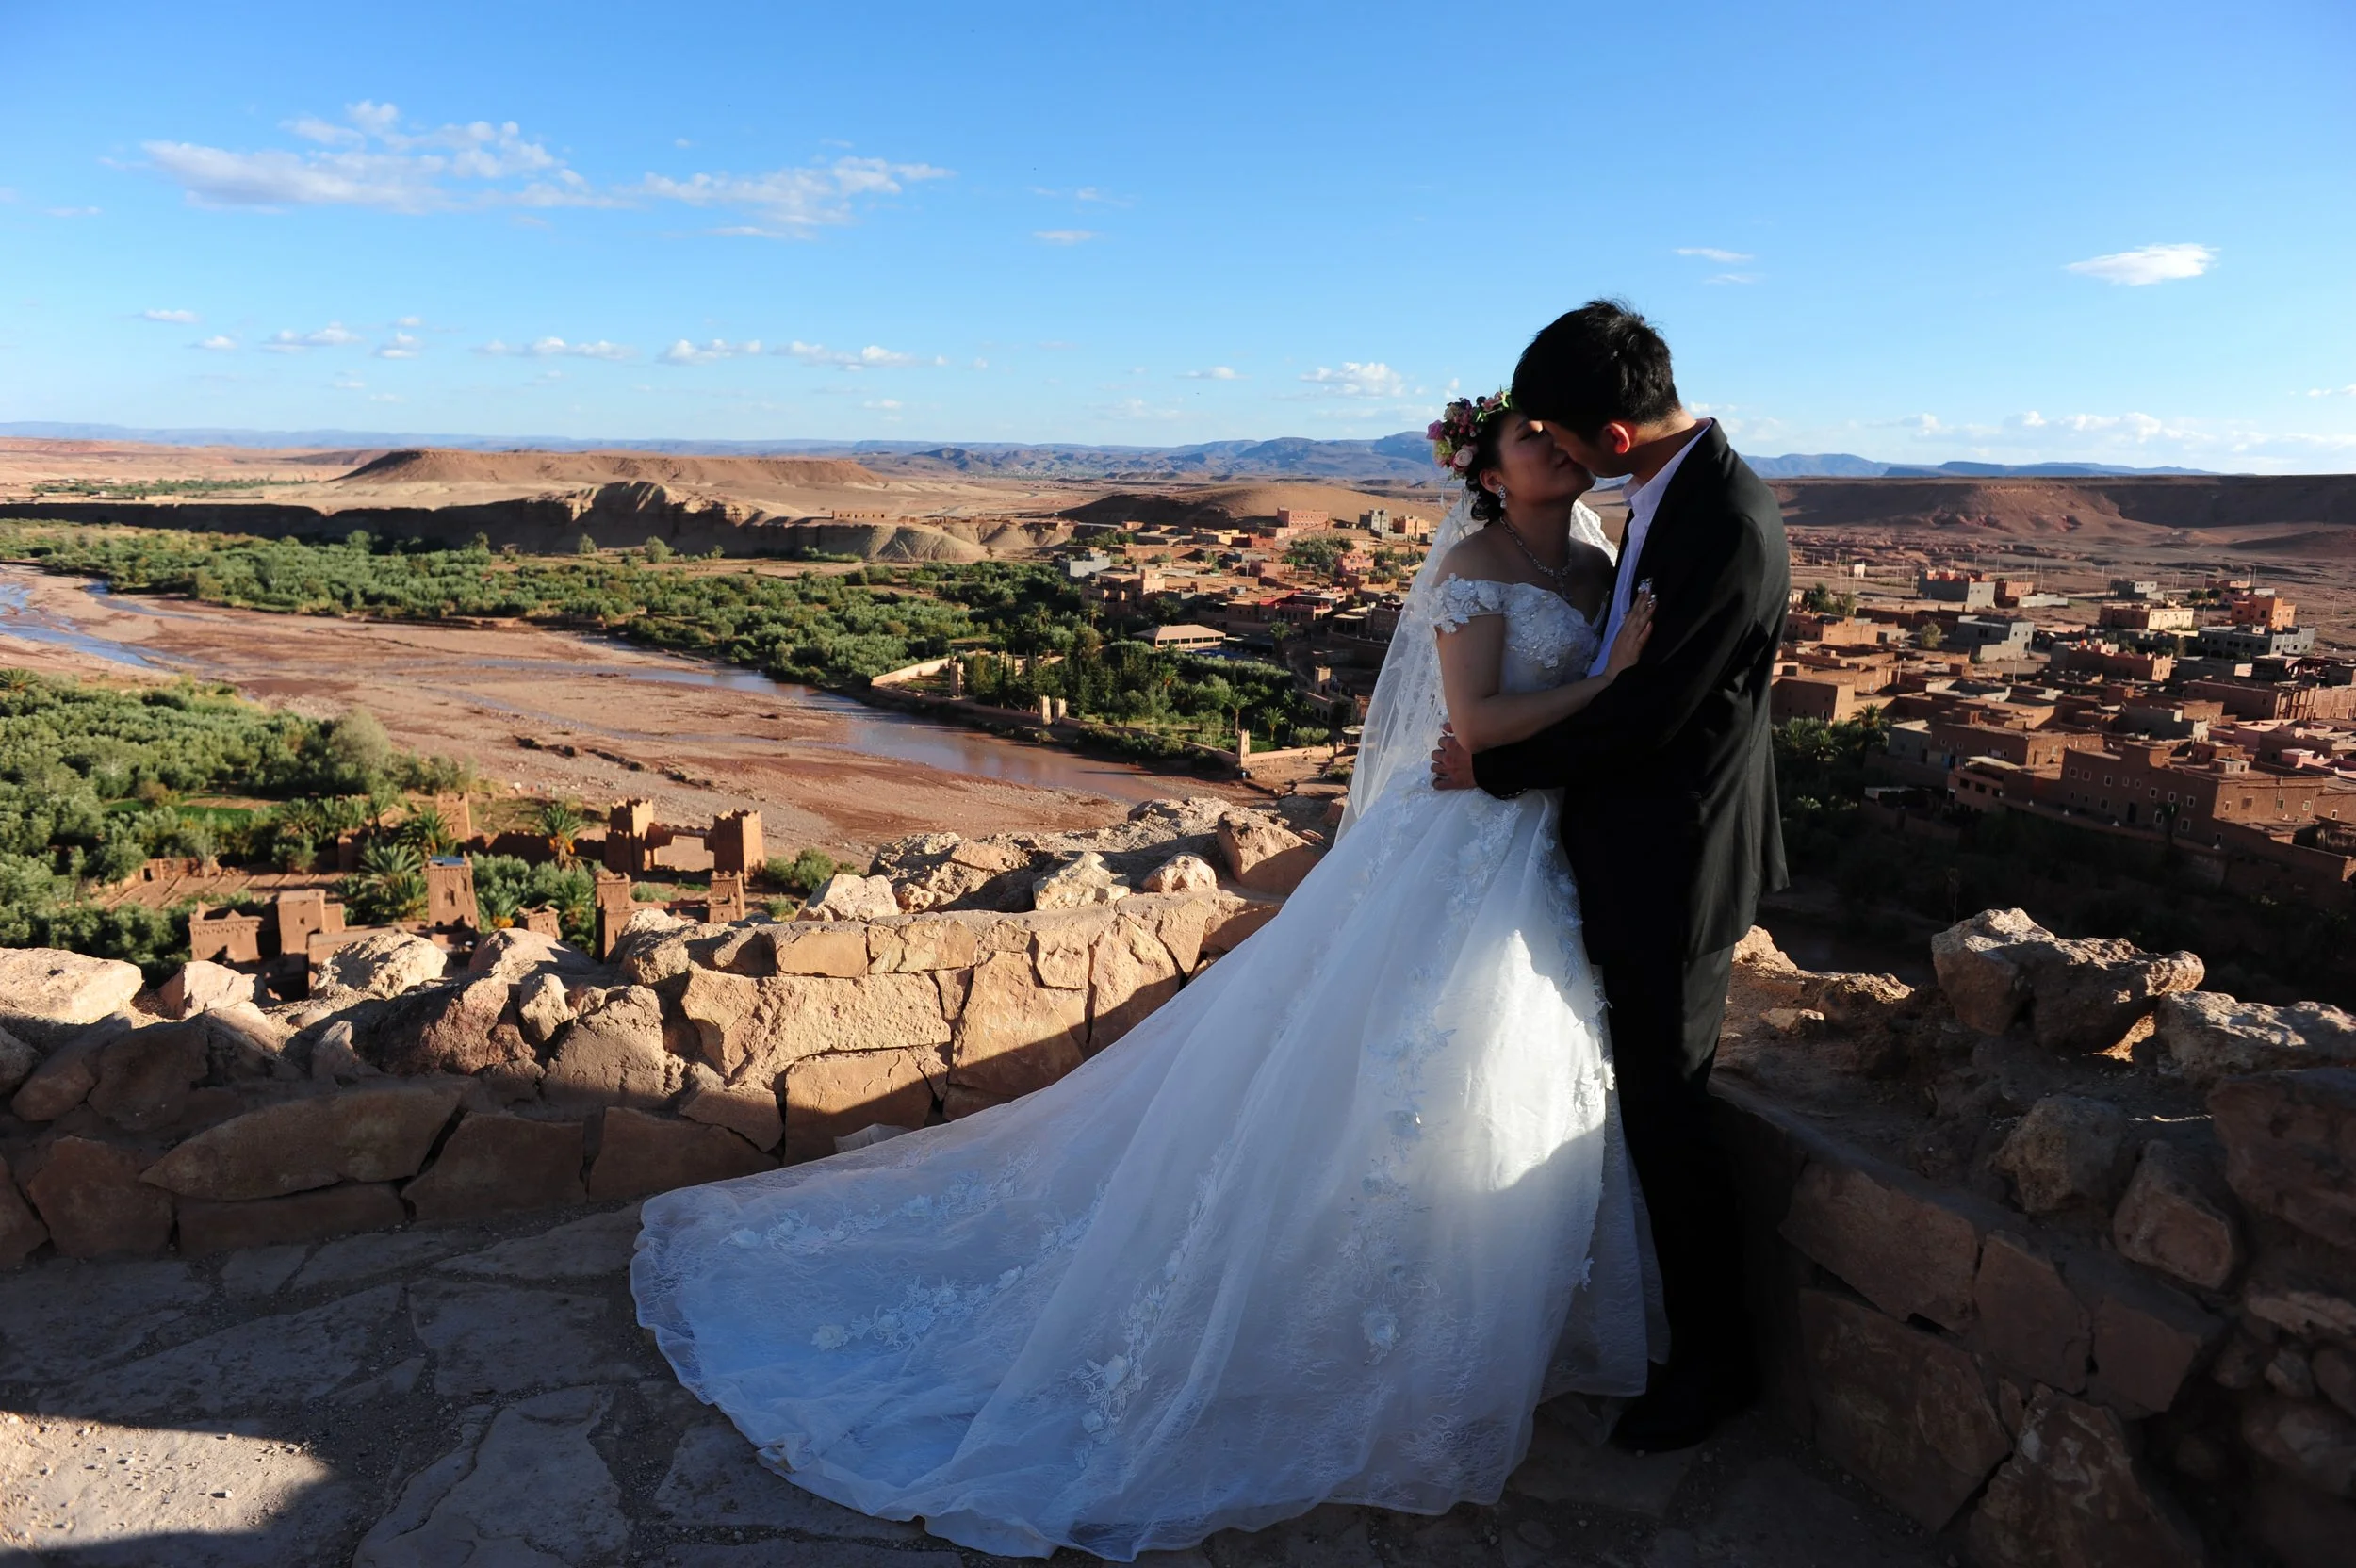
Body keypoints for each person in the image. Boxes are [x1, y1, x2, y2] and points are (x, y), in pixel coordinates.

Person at [630, 390, 1660, 1561]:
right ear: (1487, 469)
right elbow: (1473, 723)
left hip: (1533, 845)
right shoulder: (1474, 563)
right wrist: (1613, 682)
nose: (1555, 449)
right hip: (1465, 841)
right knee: (1405, 1067)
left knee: (1497, 1071)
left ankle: (1457, 1334)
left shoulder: (1595, 553)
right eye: (1529, 437)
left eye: (1563, 434)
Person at [1432, 299, 1791, 1451]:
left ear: (1615, 438)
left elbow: (1653, 714)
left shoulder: (1722, 522)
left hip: (1674, 862)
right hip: (1626, 851)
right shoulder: (1669, 497)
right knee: (1638, 1098)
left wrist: (1491, 768)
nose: (1554, 452)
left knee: (1669, 1110)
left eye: (1560, 435)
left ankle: (1715, 1365)